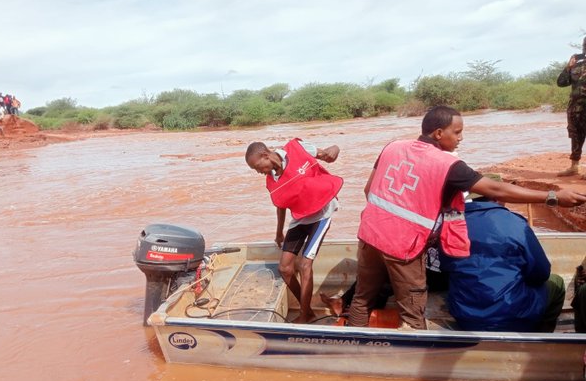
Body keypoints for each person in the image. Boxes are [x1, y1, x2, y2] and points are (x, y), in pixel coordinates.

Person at [347, 105, 586, 330]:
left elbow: (369, 190)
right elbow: (496, 190)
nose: (461, 138)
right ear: (439, 133)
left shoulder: (393, 147)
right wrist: (552, 196)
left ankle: (352, 345)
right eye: (457, 132)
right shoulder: (448, 164)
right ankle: (416, 363)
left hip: (369, 233)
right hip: (403, 245)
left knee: (362, 298)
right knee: (412, 311)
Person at [245, 138, 342, 323]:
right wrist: (279, 232)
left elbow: (327, 155)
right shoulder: (271, 179)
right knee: (285, 268)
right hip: (301, 217)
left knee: (305, 264)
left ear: (265, 155)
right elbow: (281, 206)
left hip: (322, 212)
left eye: (257, 166)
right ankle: (308, 311)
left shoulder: (297, 148)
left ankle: (305, 315)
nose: (258, 172)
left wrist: (335, 147)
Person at [438, 195, 564, 332]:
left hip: (465, 316)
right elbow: (542, 273)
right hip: (513, 315)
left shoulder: (451, 223)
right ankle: (542, 337)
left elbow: (445, 267)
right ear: (499, 197)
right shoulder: (515, 223)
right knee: (557, 283)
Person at [557, 36, 586, 177]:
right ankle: (574, 167)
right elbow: (561, 82)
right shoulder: (576, 65)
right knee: (575, 136)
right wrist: (568, 67)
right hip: (575, 109)